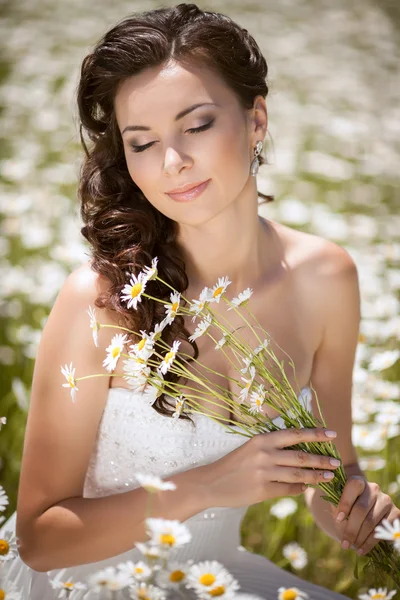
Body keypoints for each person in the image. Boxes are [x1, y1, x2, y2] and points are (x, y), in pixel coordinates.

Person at [1, 3, 399, 599]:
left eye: (198, 124)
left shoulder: (327, 276)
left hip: (214, 583)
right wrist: (211, 485)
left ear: (256, 118)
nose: (172, 162)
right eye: (142, 142)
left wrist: (360, 514)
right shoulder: (101, 300)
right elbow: (41, 537)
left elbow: (328, 470)